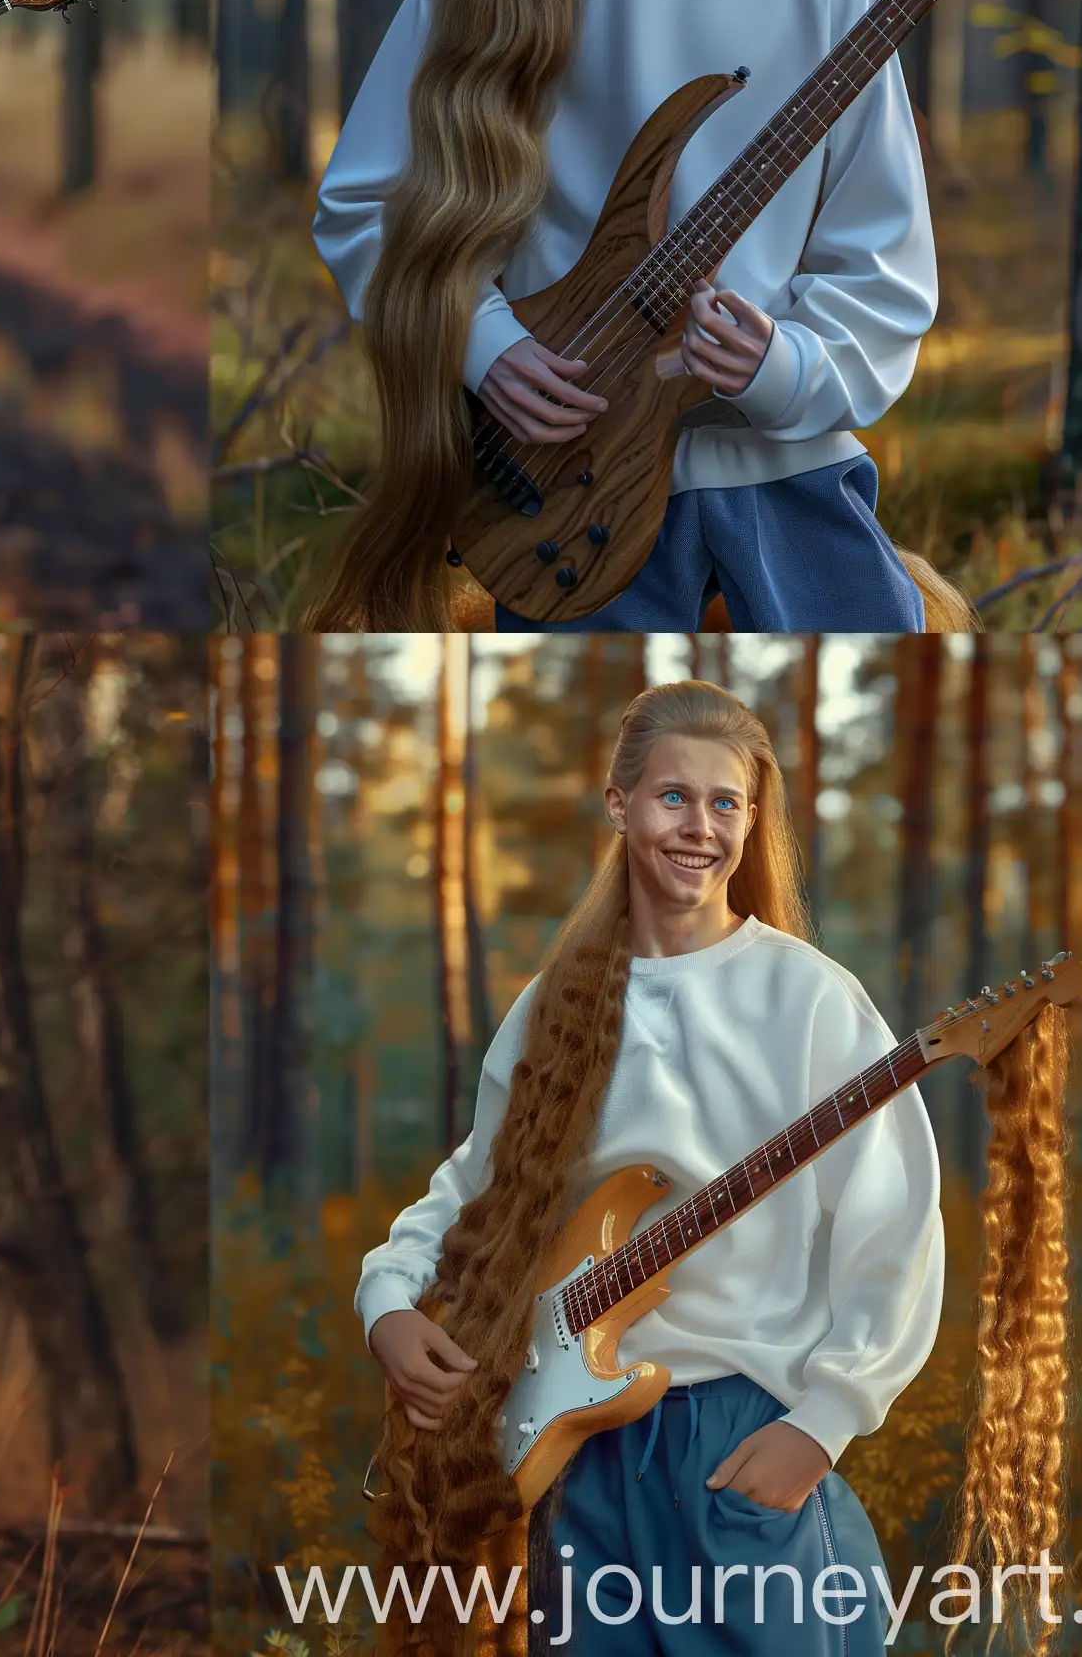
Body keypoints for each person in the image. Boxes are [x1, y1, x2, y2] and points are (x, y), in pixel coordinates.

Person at [306, 0, 936, 634]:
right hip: (562, 488)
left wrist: (776, 366)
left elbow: (884, 258)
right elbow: (362, 201)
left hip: (783, 474)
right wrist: (485, 345)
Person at [360, 681, 941, 1652]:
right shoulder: (559, 1002)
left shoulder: (807, 997)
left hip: (739, 1431)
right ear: (617, 803)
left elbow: (896, 1220)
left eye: (726, 802)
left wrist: (825, 1419)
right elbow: (473, 1183)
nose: (699, 825)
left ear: (752, 821)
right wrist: (385, 1298)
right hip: (568, 1452)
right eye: (673, 795)